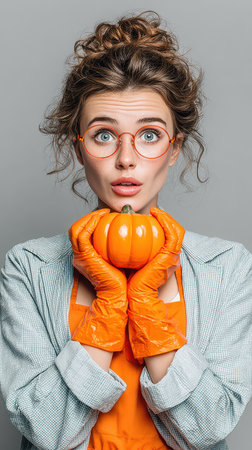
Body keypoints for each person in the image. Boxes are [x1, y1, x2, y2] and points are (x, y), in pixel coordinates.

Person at [0, 10, 251, 450]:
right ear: (78, 148)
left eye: (150, 135)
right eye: (103, 135)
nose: (126, 159)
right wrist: (111, 304)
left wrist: (146, 307)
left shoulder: (226, 267)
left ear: (174, 149)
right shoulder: (30, 267)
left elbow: (210, 428)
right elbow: (44, 431)